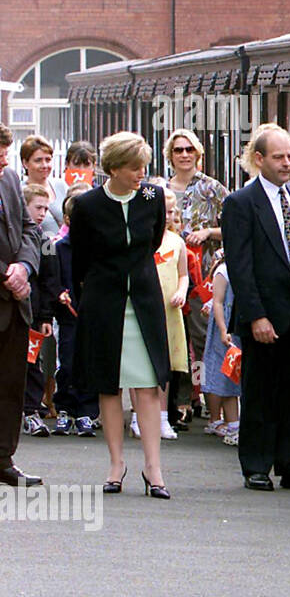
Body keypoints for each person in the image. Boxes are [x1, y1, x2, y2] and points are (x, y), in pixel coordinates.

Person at [220, 124, 290, 494]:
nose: (287, 164)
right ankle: (256, 465)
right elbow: (240, 265)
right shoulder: (240, 203)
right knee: (261, 388)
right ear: (259, 159)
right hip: (264, 311)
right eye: (279, 157)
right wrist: (256, 315)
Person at [69, 132, 171, 499]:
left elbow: (154, 240)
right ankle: (116, 464)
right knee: (108, 386)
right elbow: (78, 257)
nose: (141, 173)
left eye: (144, 165)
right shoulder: (89, 205)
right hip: (103, 301)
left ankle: (153, 468)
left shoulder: (151, 196)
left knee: (147, 386)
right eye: (133, 167)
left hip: (143, 301)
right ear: (112, 168)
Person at [166, 128, 228, 424]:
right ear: (171, 155)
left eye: (189, 149)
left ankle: (205, 392)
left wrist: (208, 232)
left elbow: (234, 225)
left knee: (203, 337)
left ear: (198, 154)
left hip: (202, 273)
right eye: (178, 150)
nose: (184, 155)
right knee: (176, 338)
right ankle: (181, 400)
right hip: (170, 269)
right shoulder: (160, 188)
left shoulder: (212, 188)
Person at [0, 124, 43, 487]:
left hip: (14, 305)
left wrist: (24, 267)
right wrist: (7, 274)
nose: (3, 160)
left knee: (10, 385)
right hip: (6, 288)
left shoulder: (10, 179)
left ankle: (3, 459)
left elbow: (29, 229)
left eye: (5, 153)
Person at [133, 184, 188, 442]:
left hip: (169, 310)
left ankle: (164, 417)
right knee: (139, 364)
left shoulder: (177, 242)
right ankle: (137, 417)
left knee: (164, 366)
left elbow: (183, 274)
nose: (164, 216)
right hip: (143, 307)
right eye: (160, 211)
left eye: (169, 212)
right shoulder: (139, 238)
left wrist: (181, 291)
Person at [51, 183, 97, 437]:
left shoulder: (96, 248)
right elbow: (53, 279)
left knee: (89, 363)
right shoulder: (60, 248)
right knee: (66, 363)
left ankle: (87, 412)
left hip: (91, 315)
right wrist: (59, 293)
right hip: (68, 316)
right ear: (68, 219)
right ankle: (65, 407)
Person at [20, 185, 60, 437]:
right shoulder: (13, 237)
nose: (43, 214)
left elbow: (49, 280)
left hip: (34, 314)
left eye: (46, 208)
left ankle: (32, 411)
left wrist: (46, 315)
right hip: (11, 310)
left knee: (33, 364)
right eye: (38, 208)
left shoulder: (46, 241)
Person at [201, 251, 240, 444]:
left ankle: (235, 423)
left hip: (240, 328)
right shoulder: (223, 271)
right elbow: (217, 302)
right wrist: (224, 329)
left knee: (236, 376)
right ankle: (232, 425)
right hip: (226, 330)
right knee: (227, 376)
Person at [20, 134, 67, 235]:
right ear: (25, 163)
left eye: (48, 160)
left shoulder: (60, 186)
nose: (44, 165)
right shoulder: (19, 192)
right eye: (38, 160)